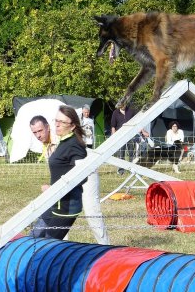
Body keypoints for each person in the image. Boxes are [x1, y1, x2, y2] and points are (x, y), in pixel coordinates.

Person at [29, 110, 109, 244]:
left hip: (86, 175)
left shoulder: (60, 137)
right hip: (68, 180)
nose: (38, 135)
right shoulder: (47, 144)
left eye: (40, 131)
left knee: (92, 213)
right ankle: (60, 247)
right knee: (60, 212)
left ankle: (106, 246)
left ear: (48, 127)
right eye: (35, 132)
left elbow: (76, 161)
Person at [111, 104, 136, 173]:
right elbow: (113, 126)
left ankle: (132, 169)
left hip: (130, 135)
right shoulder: (115, 113)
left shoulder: (131, 111)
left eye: (124, 104)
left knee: (131, 153)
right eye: (121, 104)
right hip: (120, 136)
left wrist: (143, 131)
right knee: (121, 153)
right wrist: (114, 137)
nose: (123, 106)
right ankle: (121, 170)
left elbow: (137, 122)